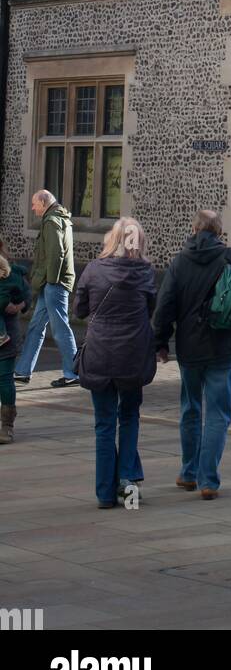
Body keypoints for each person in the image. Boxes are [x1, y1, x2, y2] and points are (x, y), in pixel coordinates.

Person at [152, 210, 231, 500]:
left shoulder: (180, 262)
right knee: (218, 414)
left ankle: (189, 473)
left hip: (189, 348)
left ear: (194, 228)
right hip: (222, 346)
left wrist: (159, 342)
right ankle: (208, 480)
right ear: (219, 232)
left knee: (190, 408)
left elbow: (164, 307)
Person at [73, 217, 157, 509]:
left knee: (104, 424)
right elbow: (150, 309)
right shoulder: (145, 272)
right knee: (130, 416)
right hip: (132, 355)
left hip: (99, 353)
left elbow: (79, 309)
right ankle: (126, 481)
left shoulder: (94, 270)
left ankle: (105, 495)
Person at [14, 190, 78, 388]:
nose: (33, 208)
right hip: (52, 283)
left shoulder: (51, 221)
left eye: (34, 204)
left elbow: (56, 254)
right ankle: (23, 371)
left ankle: (73, 372)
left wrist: (49, 282)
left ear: (43, 202)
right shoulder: (58, 217)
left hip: (54, 284)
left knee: (60, 328)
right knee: (35, 327)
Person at [0, 239, 30, 445]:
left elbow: (27, 294)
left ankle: (7, 425)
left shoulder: (11, 272)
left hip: (6, 336)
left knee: (4, 379)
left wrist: (20, 305)